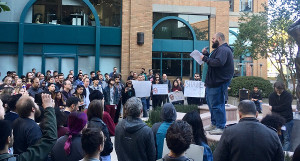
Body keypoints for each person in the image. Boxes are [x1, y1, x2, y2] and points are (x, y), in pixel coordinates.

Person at [213, 100, 284, 161]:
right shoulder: (272, 133)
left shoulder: (229, 132)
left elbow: (218, 158)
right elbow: (280, 158)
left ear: (240, 114)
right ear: (256, 114)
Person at [0, 93, 56, 161]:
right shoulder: (33, 128)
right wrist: (49, 108)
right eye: (35, 103)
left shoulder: (16, 122)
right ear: (33, 109)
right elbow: (41, 150)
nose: (37, 104)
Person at [200, 32, 234, 135]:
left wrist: (205, 58)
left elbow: (218, 62)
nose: (212, 40)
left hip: (218, 82)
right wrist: (206, 55)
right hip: (213, 82)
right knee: (211, 104)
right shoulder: (219, 50)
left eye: (213, 38)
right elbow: (214, 60)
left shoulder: (223, 49)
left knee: (217, 105)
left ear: (219, 38)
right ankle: (214, 123)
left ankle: (220, 126)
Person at [269, 81, 293, 151]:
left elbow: (285, 107)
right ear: (275, 88)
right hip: (277, 120)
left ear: (283, 88)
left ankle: (284, 155)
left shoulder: (288, 95)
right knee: (278, 138)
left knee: (286, 139)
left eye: (280, 90)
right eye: (277, 89)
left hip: (287, 120)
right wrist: (276, 109)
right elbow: (273, 108)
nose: (279, 91)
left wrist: (274, 108)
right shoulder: (271, 96)